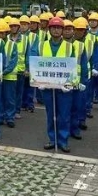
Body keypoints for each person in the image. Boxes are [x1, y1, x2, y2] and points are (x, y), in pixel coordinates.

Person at [31, 17, 76, 153]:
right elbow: (35, 63)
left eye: (59, 28)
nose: (56, 30)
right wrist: (38, 81)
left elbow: (73, 65)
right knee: (51, 113)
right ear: (49, 30)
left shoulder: (69, 46)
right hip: (47, 86)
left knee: (64, 114)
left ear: (62, 30)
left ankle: (63, 141)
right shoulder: (41, 45)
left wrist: (71, 82)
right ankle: (52, 139)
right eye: (53, 27)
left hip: (64, 86)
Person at [0, 19, 19, 128]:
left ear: (6, 33)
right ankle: (0, 116)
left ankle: (10, 117)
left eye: (3, 32)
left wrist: (4, 71)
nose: (1, 35)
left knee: (10, 98)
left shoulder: (12, 45)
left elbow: (13, 61)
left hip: (9, 76)